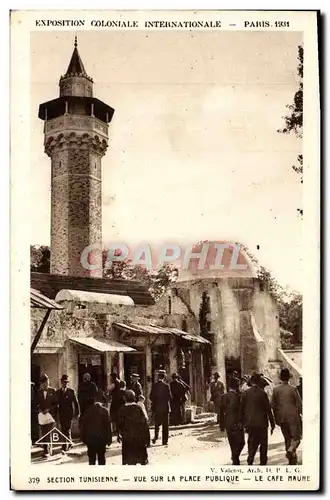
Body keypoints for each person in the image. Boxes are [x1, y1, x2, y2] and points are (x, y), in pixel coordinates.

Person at [241, 373, 275, 465]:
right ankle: (263, 462)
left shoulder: (245, 394)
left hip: (250, 423)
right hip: (262, 424)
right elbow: (268, 409)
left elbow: (241, 410)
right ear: (259, 381)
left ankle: (250, 457)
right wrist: (272, 423)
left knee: (251, 441)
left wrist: (242, 423)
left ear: (251, 381)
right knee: (263, 444)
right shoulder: (263, 394)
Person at [271, 368, 302, 465]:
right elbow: (299, 404)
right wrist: (301, 414)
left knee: (287, 438)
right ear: (289, 378)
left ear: (281, 377)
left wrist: (276, 417)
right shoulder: (293, 389)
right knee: (297, 437)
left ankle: (291, 459)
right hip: (293, 416)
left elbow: (273, 405)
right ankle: (291, 450)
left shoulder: (275, 390)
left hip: (282, 417)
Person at [118, 390, 150, 465]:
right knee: (141, 461)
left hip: (127, 439)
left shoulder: (122, 409)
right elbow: (144, 424)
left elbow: (120, 424)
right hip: (139, 439)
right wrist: (147, 438)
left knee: (130, 462)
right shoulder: (138, 408)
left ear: (125, 398)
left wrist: (119, 434)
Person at [80, 396, 112, 465]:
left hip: (91, 440)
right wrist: (109, 439)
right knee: (101, 459)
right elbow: (108, 426)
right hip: (101, 440)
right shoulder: (105, 411)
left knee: (91, 460)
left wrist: (84, 439)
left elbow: (84, 427)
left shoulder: (88, 411)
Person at [222, 377, 245, 465]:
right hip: (238, 422)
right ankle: (235, 457)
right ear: (236, 386)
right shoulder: (239, 396)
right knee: (241, 442)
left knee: (232, 442)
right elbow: (242, 410)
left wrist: (222, 425)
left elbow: (221, 412)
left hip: (228, 422)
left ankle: (235, 457)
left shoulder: (224, 396)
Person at [35, 374, 58, 457]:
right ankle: (46, 450)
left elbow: (56, 404)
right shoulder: (39, 392)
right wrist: (40, 410)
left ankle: (48, 451)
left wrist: (49, 409)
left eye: (47, 382)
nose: (46, 384)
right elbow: (36, 403)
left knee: (48, 432)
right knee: (44, 432)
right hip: (42, 416)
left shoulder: (53, 391)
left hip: (50, 415)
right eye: (44, 383)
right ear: (41, 383)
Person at [56, 374, 80, 453]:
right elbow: (55, 403)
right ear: (61, 382)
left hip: (69, 414)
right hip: (61, 413)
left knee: (67, 429)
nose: (64, 383)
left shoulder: (71, 391)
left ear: (67, 383)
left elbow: (76, 403)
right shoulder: (58, 392)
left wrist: (77, 413)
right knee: (63, 429)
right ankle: (69, 443)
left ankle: (65, 445)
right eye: (63, 382)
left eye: (66, 382)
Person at [150, 369, 172, 446]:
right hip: (165, 408)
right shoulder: (167, 386)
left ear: (158, 376)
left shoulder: (155, 386)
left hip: (157, 408)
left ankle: (156, 437)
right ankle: (164, 441)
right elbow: (169, 397)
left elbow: (151, 397)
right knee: (165, 425)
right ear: (164, 377)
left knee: (157, 424)